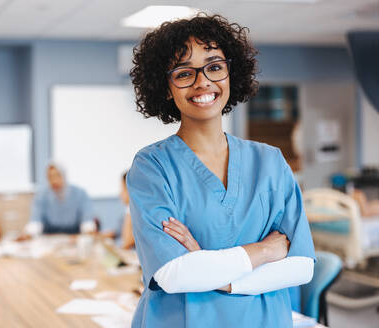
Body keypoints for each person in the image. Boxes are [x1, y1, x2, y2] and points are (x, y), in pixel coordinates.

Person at [127, 14, 315, 327]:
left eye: (214, 67)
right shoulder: (152, 167)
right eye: (184, 73)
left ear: (231, 73)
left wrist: (220, 277)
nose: (203, 82)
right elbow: (174, 274)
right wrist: (263, 251)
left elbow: (300, 267)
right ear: (165, 87)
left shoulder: (270, 161)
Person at [26, 161, 95, 235]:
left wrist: (89, 230)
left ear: (64, 175)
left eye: (57, 175)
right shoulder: (41, 196)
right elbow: (35, 221)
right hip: (49, 237)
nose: (54, 181)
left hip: (74, 236)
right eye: (50, 177)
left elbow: (87, 221)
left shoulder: (80, 193)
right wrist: (29, 233)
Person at [119, 172, 135, 249]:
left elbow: (127, 241)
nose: (120, 194)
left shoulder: (132, 210)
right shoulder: (129, 210)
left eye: (122, 189)